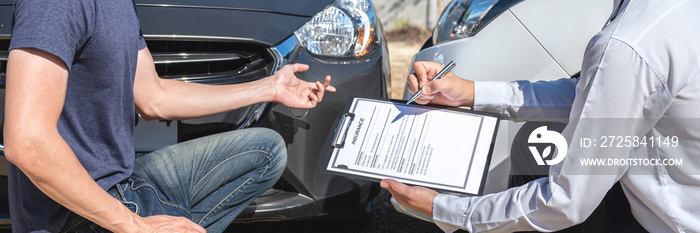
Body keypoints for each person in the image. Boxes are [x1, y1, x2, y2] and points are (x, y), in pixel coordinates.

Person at [3, 0, 334, 232]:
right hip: (74, 216)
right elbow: (27, 141)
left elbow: (154, 97)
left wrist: (270, 87)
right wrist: (134, 226)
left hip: (123, 182)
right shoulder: (51, 4)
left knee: (266, 151)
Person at [381, 0, 700, 232]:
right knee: (533, 147)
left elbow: (563, 201)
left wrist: (445, 209)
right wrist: (469, 92)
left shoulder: (628, 43)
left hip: (673, 222)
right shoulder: (677, 11)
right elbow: (591, 96)